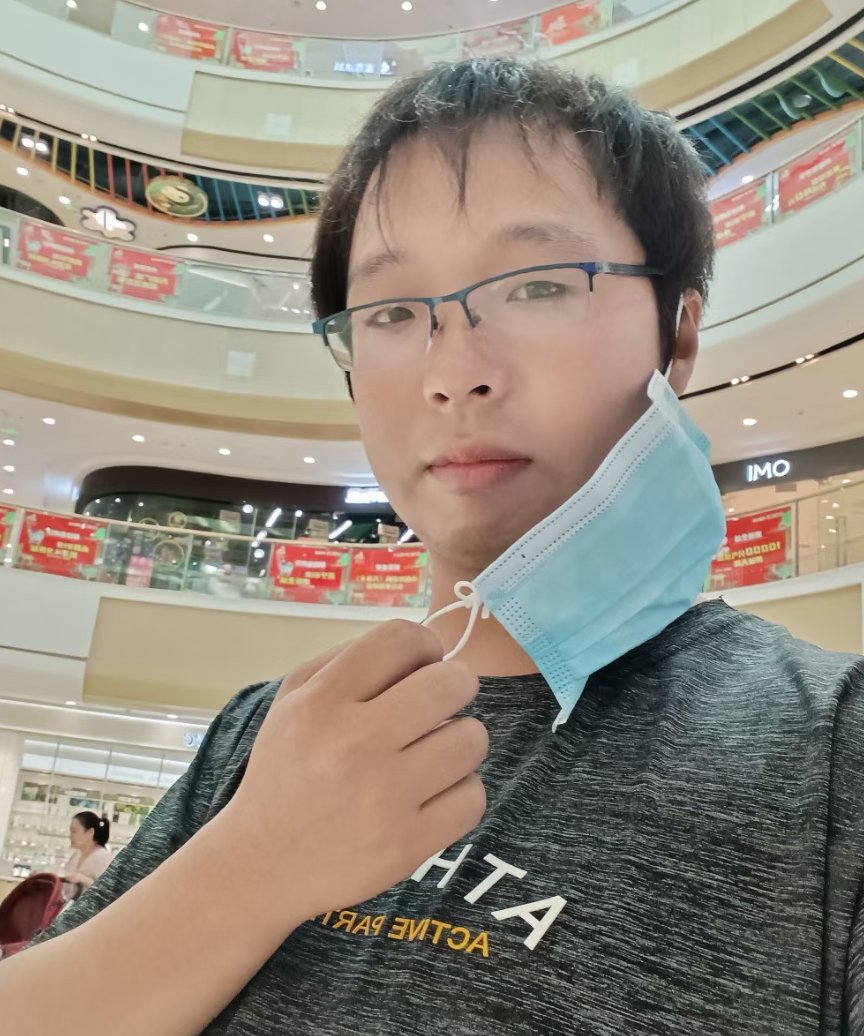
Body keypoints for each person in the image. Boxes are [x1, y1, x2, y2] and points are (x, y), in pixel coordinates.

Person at [1, 58, 862, 1035]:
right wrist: (248, 867)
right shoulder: (266, 730)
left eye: (538, 286)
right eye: (393, 312)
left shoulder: (834, 750)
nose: (454, 372)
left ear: (678, 337)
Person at [62, 812, 112, 901]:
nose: (70, 836)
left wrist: (84, 879)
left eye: (74, 831)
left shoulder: (104, 858)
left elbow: (107, 892)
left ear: (90, 832)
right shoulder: (76, 855)